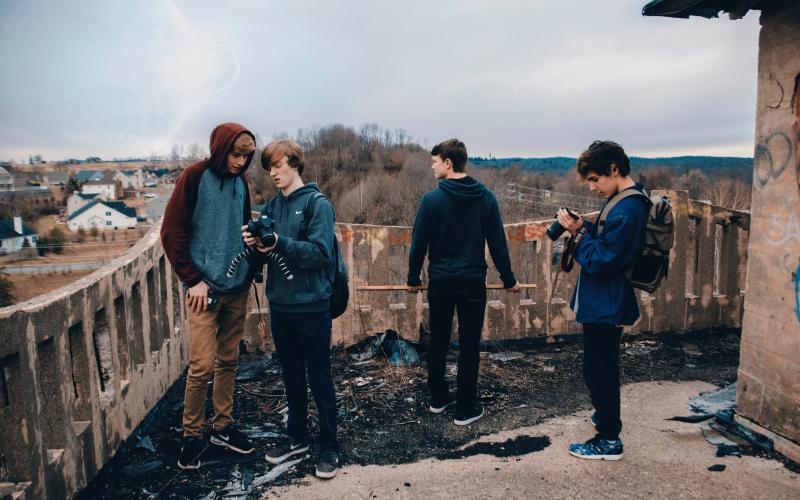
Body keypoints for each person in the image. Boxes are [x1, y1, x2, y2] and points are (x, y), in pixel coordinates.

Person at [161, 122, 257, 469]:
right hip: (204, 289)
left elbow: (245, 227)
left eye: (246, 157)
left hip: (236, 287)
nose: (240, 162)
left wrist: (252, 255)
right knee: (202, 365)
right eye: (235, 154)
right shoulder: (194, 176)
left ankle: (223, 426)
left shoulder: (241, 182)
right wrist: (192, 280)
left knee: (229, 361)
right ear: (220, 149)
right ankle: (191, 435)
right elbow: (171, 232)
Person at [242, 139, 341, 479]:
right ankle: (297, 436)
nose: (273, 172)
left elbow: (319, 254)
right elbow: (267, 256)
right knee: (292, 375)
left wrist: (278, 242)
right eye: (268, 167)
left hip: (312, 305)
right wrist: (254, 245)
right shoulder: (270, 207)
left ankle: (329, 446)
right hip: (281, 305)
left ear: (295, 163)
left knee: (320, 377)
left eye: (278, 165)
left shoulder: (317, 205)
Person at [406, 138, 520, 426]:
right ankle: (466, 407)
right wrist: (509, 280)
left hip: (441, 283)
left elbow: (418, 245)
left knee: (439, 341)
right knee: (469, 344)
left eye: (435, 162)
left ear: (448, 162)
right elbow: (498, 245)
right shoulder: (486, 198)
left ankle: (438, 398)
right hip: (472, 284)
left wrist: (412, 278)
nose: (432, 167)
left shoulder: (431, 201)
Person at [555, 140, 649, 461]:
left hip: (606, 304)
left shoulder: (626, 209)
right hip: (606, 300)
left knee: (600, 370)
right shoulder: (623, 201)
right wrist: (585, 226)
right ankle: (604, 416)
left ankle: (609, 439)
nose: (593, 187)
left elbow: (602, 260)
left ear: (614, 169)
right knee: (599, 365)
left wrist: (577, 235)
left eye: (595, 179)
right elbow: (609, 243)